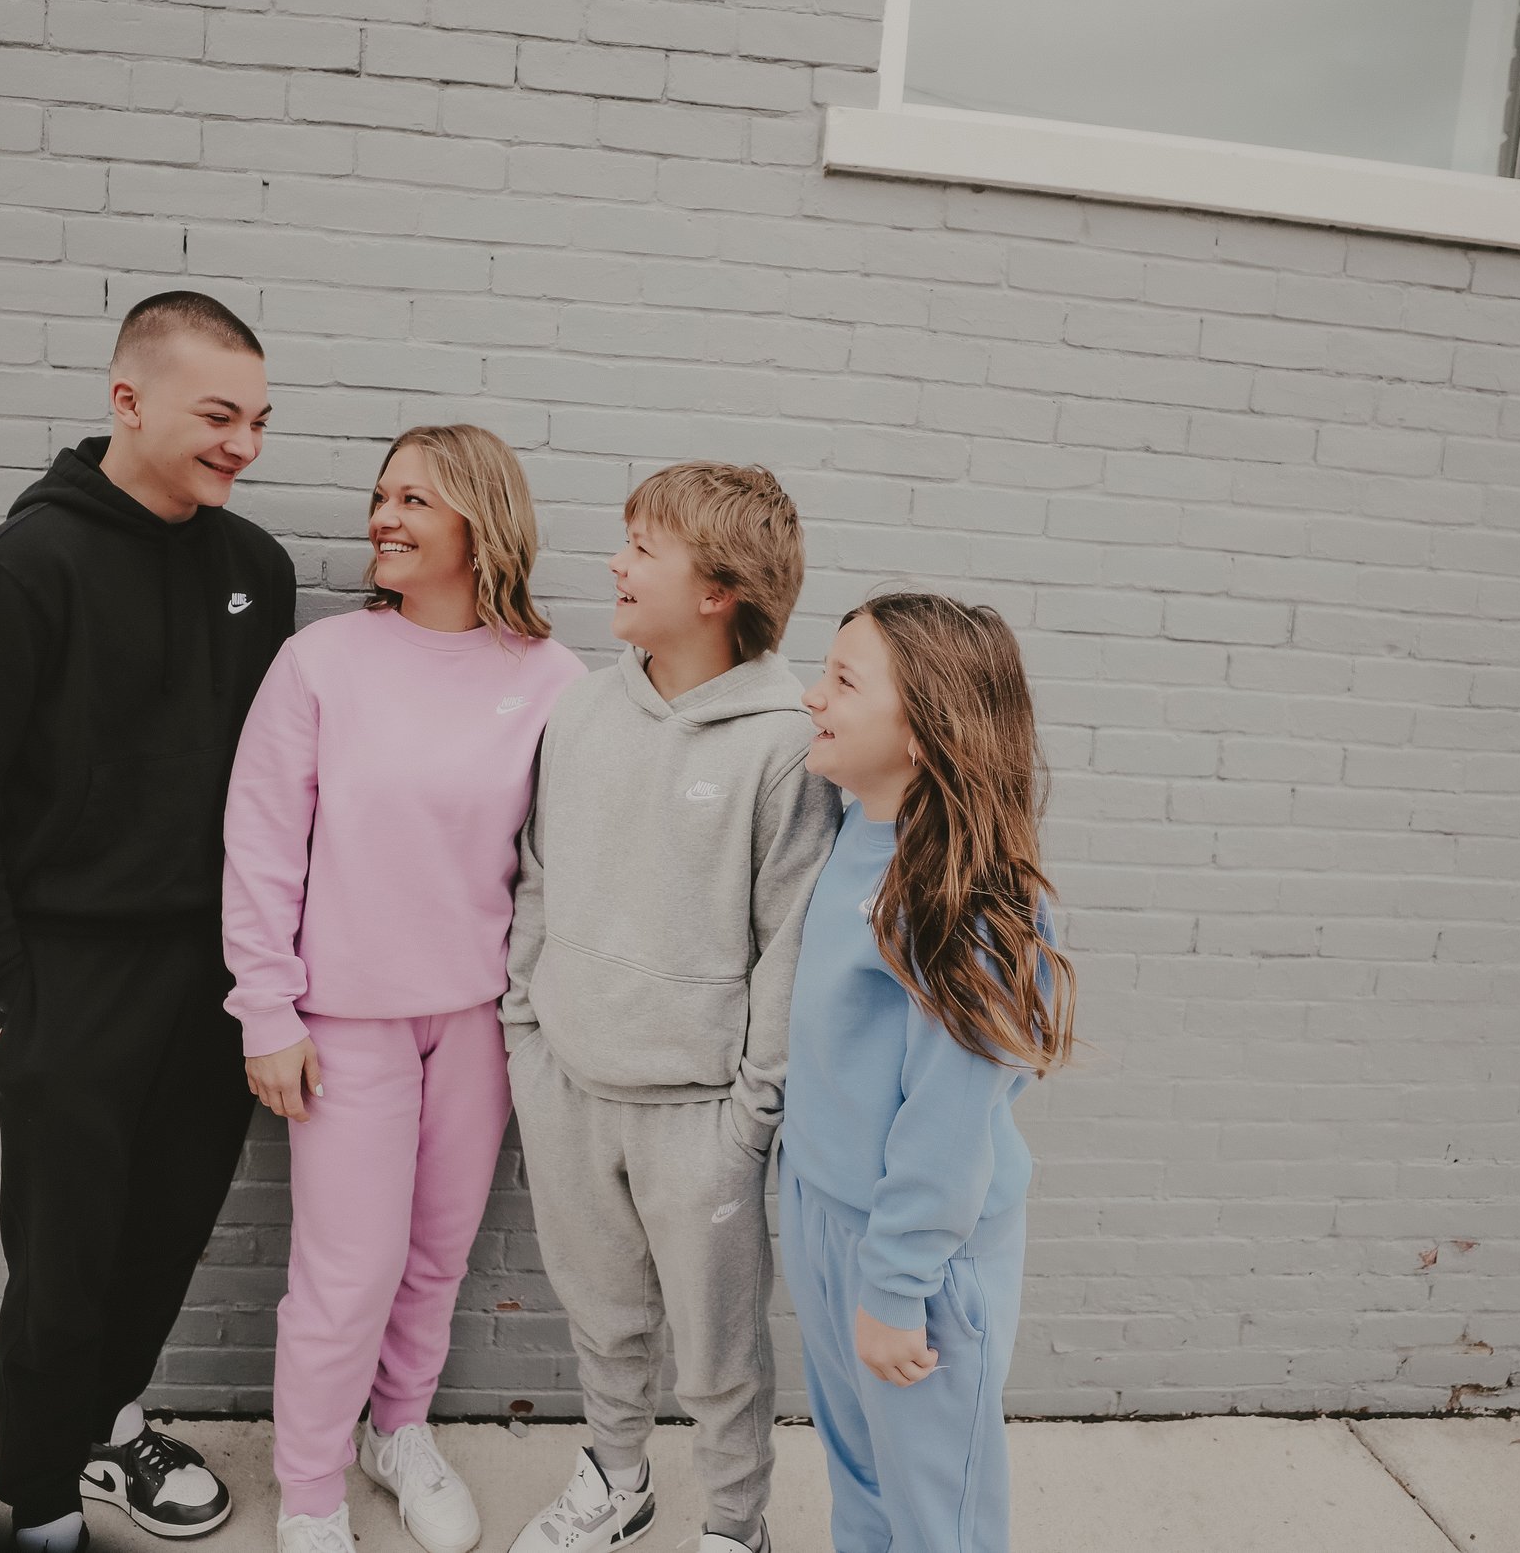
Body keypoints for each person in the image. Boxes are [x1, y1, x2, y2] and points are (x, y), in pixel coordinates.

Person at [0, 291, 293, 1551]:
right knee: (61, 1267)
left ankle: (111, 1430)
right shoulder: (19, 573)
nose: (241, 442)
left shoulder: (255, 570)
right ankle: (40, 1501)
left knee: (164, 1235)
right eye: (216, 414)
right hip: (65, 978)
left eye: (259, 420)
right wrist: (4, 1005)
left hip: (209, 975)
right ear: (128, 400)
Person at [222, 425, 586, 1553]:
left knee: (437, 1250)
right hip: (343, 1020)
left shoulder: (552, 677)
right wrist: (267, 1010)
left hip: (477, 1018)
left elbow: (565, 860)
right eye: (380, 495)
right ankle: (314, 1490)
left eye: (413, 498)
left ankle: (401, 1430)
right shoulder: (321, 661)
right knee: (345, 1269)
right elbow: (261, 844)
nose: (381, 515)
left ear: (480, 521)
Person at [503, 463, 840, 1553]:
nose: (615, 560)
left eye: (644, 546)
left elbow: (792, 937)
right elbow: (538, 878)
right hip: (567, 1078)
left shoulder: (786, 738)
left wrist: (750, 1114)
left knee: (717, 1349)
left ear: (717, 589)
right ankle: (614, 1479)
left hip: (700, 1110)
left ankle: (735, 1527)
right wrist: (525, 1033)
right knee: (600, 1314)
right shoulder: (583, 706)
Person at [783, 593, 1079, 1553]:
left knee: (936, 1510)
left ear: (923, 730)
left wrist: (897, 1284)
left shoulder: (967, 904)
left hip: (918, 1251)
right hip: (827, 1213)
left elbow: (947, 1122)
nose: (809, 695)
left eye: (841, 680)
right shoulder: (856, 830)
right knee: (862, 1477)